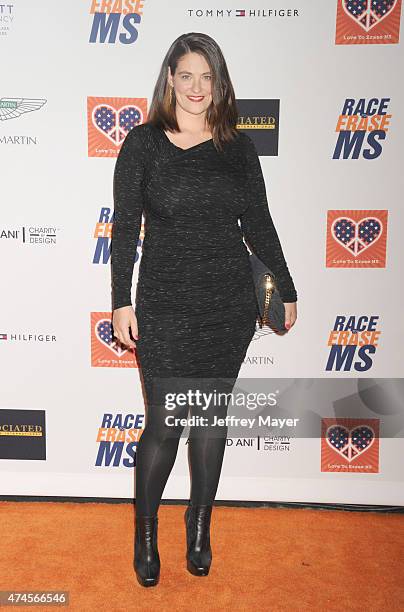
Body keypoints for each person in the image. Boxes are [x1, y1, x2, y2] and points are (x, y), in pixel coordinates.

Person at [110, 32, 298, 587]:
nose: (196, 87)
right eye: (185, 75)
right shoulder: (142, 144)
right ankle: (146, 532)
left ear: (219, 83)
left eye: (206, 77)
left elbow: (259, 224)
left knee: (211, 422)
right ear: (169, 78)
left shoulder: (238, 148)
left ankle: (199, 525)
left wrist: (285, 289)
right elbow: (124, 231)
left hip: (227, 305)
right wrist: (121, 299)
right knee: (166, 424)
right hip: (165, 304)